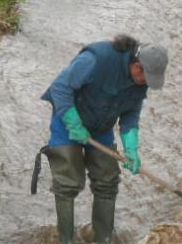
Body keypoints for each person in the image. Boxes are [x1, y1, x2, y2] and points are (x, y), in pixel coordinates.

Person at [40, 35, 168, 244]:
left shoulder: (139, 82)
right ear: (137, 66)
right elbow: (60, 88)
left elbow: (130, 114)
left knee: (107, 181)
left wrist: (131, 147)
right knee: (67, 183)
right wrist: (73, 122)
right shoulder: (96, 59)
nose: (146, 82)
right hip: (68, 121)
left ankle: (103, 238)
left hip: (101, 128)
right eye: (145, 77)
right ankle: (66, 239)